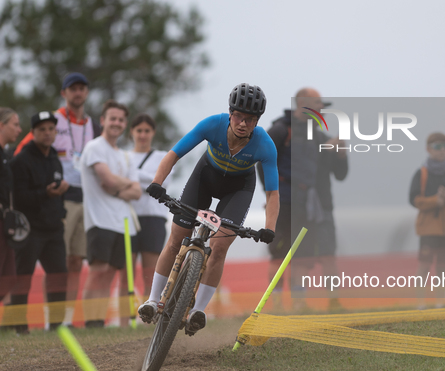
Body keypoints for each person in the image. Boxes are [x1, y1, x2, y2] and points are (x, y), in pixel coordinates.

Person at [138, 83, 279, 335]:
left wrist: (270, 228)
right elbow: (174, 154)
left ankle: (198, 310)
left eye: (250, 119)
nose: (243, 123)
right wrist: (156, 183)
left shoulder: (265, 146)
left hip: (239, 188)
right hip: (205, 177)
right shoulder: (212, 124)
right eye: (238, 116)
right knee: (176, 239)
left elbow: (272, 192)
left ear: (257, 121)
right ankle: (151, 300)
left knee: (220, 246)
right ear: (229, 113)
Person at [15, 72, 101, 326]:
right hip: (58, 200)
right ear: (64, 93)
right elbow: (22, 153)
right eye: (72, 88)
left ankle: (66, 318)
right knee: (58, 260)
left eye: (82, 88)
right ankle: (47, 318)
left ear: (86, 93)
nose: (78, 93)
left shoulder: (94, 125)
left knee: (75, 260)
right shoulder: (52, 122)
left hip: (86, 196)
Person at [260, 87, 348, 311]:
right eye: (319, 105)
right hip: (284, 202)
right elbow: (262, 162)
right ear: (304, 105)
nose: (323, 111)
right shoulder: (280, 130)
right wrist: (270, 195)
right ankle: (277, 304)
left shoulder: (318, 136)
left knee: (302, 255)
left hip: (307, 207)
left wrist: (340, 154)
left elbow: (340, 174)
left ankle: (299, 302)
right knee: (279, 253)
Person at [80, 100, 141, 328]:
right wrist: (123, 185)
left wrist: (118, 186)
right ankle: (91, 323)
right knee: (97, 272)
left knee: (109, 275)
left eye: (120, 119)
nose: (116, 123)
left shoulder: (125, 155)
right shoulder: (94, 147)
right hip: (99, 220)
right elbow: (106, 179)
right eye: (112, 118)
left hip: (123, 223)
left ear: (125, 124)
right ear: (103, 120)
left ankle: (99, 322)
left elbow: (136, 191)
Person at [8, 112, 69, 333]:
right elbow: (19, 197)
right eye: (42, 129)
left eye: (51, 129)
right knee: (23, 277)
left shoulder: (54, 156)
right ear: (32, 132)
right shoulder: (21, 160)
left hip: (53, 228)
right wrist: (46, 193)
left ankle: (56, 325)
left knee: (59, 276)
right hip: (30, 229)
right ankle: (19, 326)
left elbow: (56, 191)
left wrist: (60, 205)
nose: (47, 133)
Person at [409, 133, 445, 307]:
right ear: (428, 149)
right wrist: (435, 201)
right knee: (424, 265)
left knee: (442, 267)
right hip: (428, 228)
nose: (443, 151)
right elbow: (414, 199)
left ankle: (439, 302)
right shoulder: (421, 173)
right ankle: (420, 302)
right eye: (438, 147)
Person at [127, 114, 171, 297]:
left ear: (152, 133)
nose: (142, 135)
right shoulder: (124, 156)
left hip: (154, 218)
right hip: (128, 217)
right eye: (139, 131)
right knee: (126, 274)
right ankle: (125, 319)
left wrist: (132, 176)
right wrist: (148, 178)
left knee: (150, 273)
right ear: (132, 133)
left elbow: (162, 182)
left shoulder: (163, 157)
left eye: (146, 131)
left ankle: (149, 312)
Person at [0, 108, 22, 304]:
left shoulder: (6, 154)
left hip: (6, 222)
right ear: (1, 125)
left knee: (9, 277)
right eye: (15, 124)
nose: (19, 129)